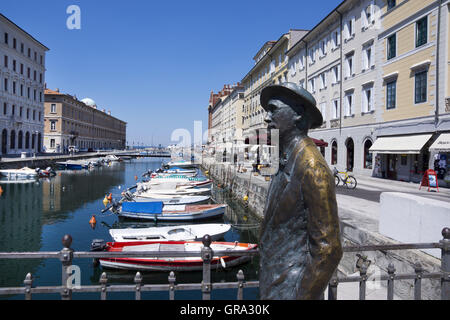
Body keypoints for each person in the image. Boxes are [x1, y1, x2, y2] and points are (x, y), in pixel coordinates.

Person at [258, 82, 343, 300]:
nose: (267, 117)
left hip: (291, 289)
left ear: (298, 113)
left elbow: (328, 249)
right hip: (275, 283)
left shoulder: (312, 166)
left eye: (273, 109)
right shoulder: (286, 158)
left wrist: (302, 296)